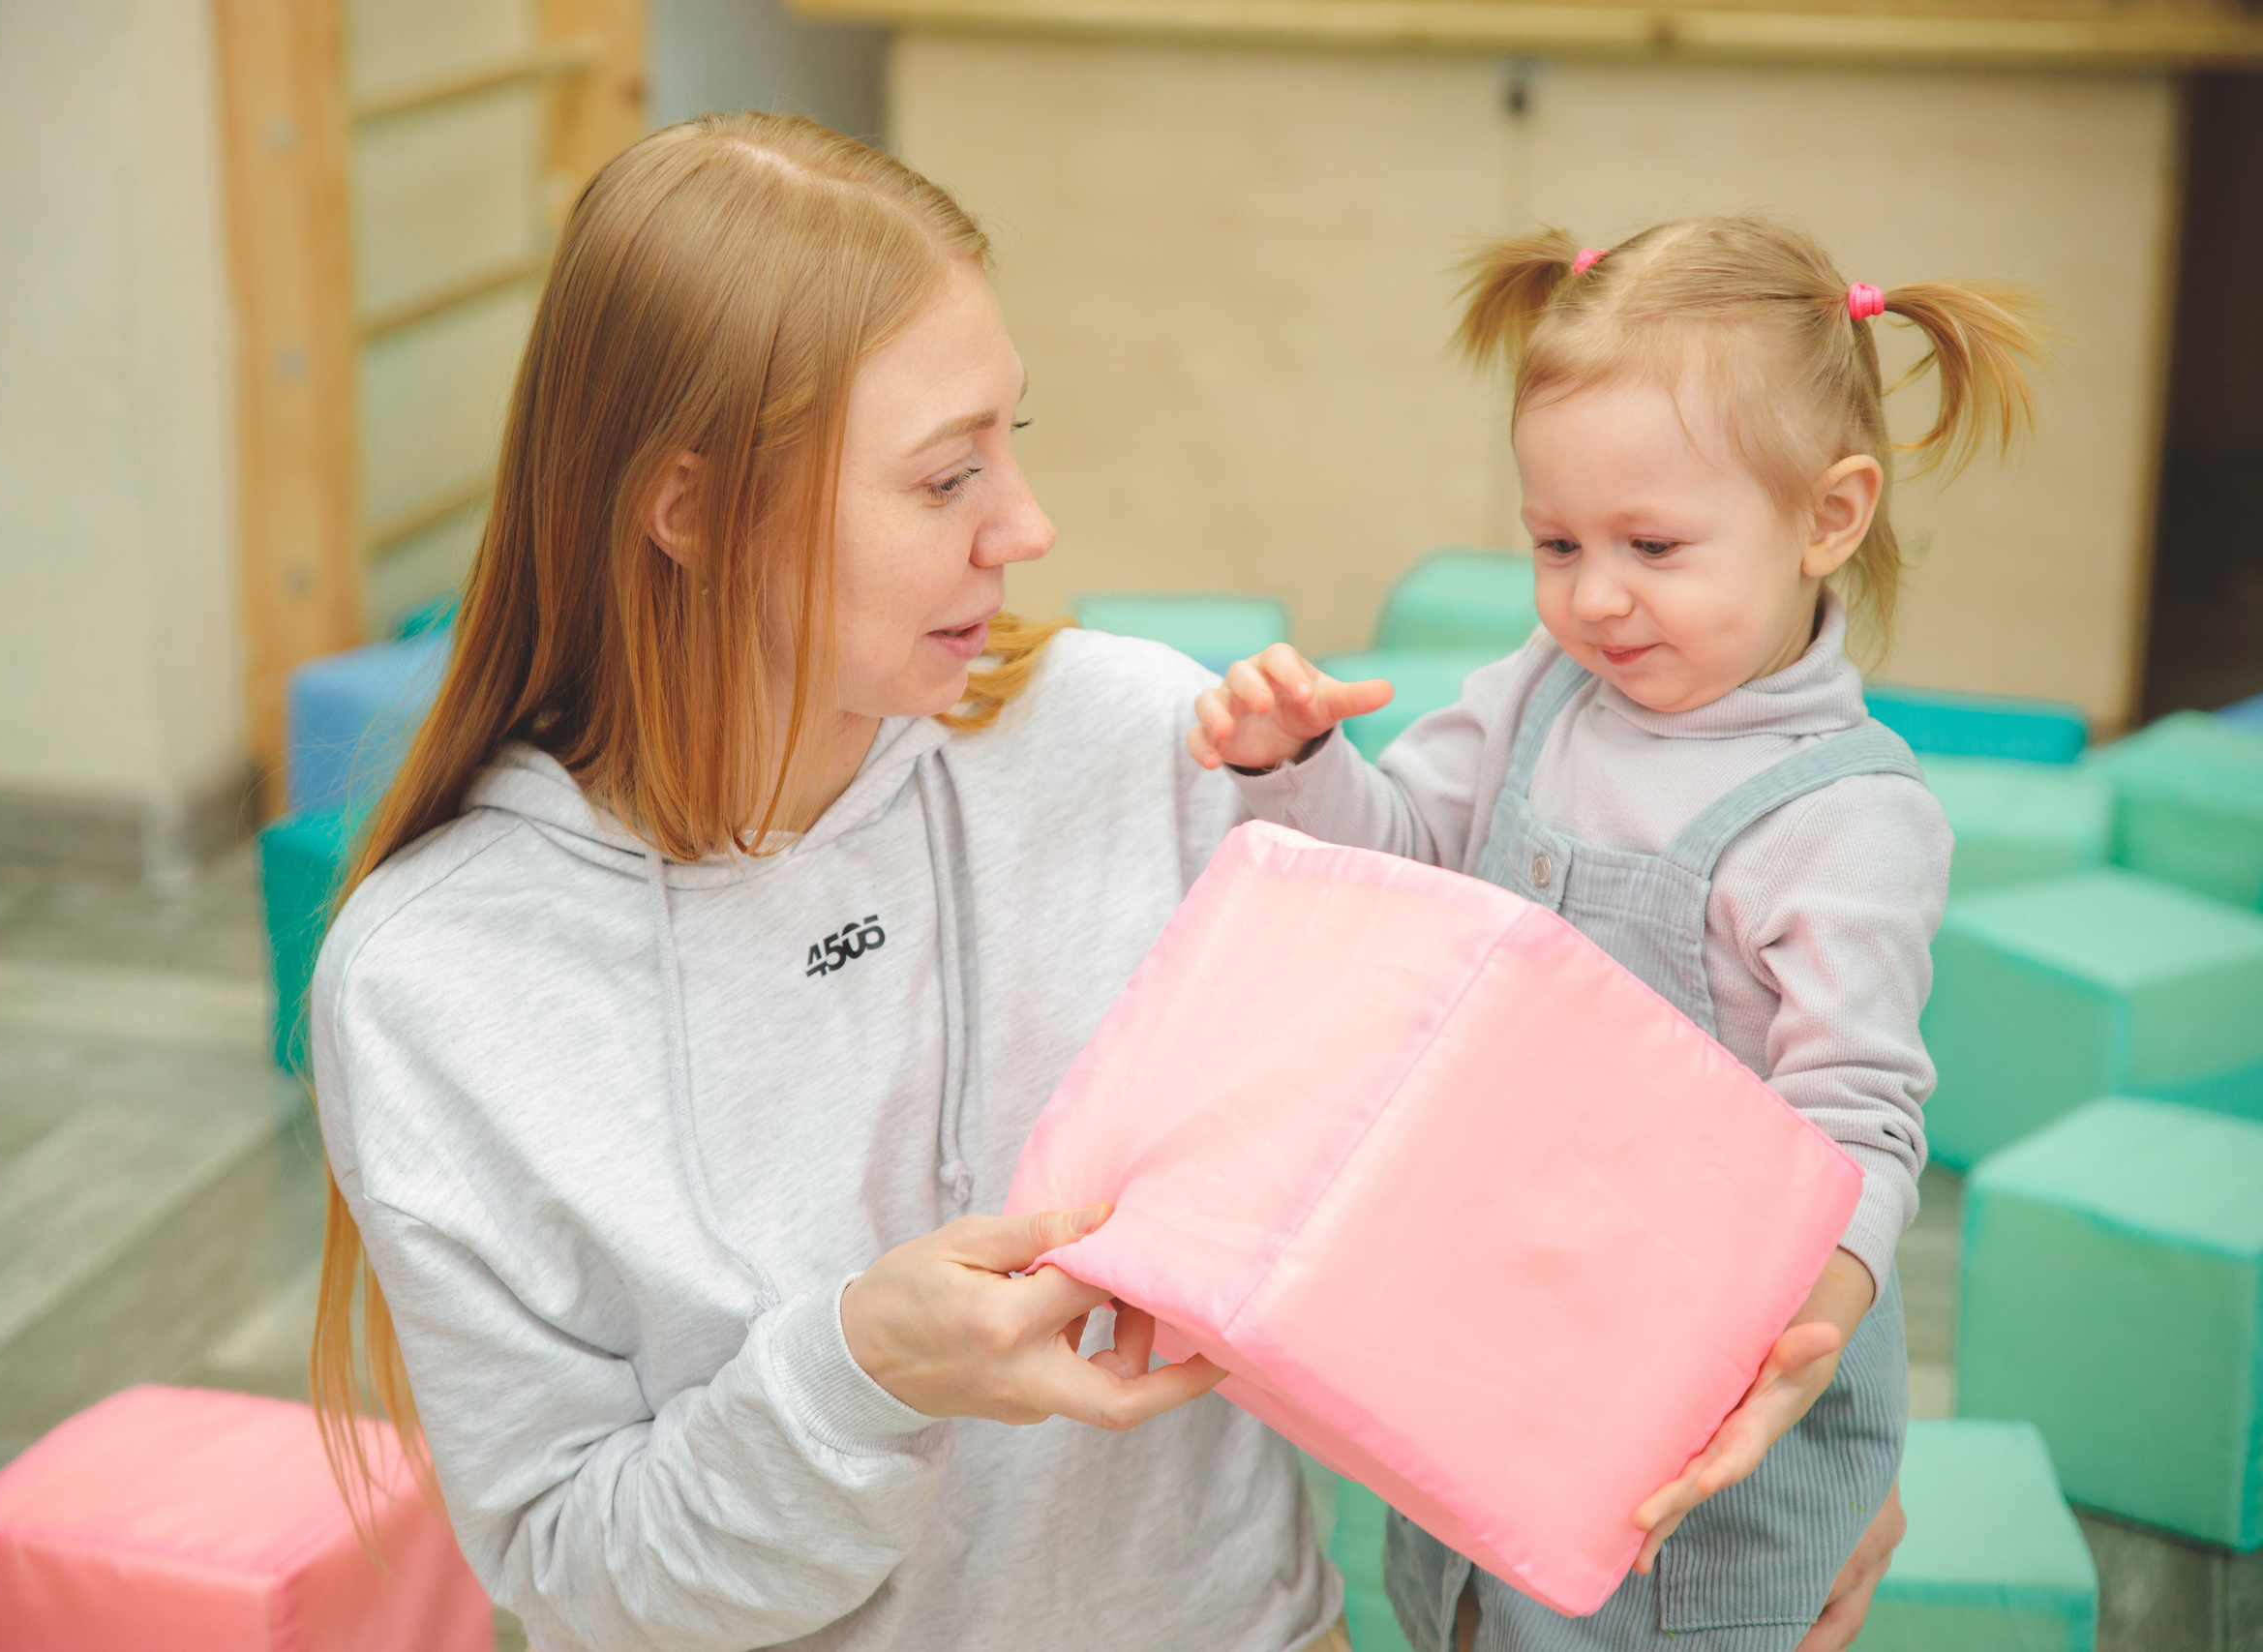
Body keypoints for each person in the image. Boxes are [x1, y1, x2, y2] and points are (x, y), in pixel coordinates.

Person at [307, 118, 1908, 1651]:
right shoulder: (438, 982)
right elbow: (589, 1575)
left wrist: (1778, 1467)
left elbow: (1536, 1131)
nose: (1029, 525)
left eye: (1018, 440)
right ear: (695, 512)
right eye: (945, 480)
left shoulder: (1160, 743)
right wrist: (863, 1372)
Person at [1188, 216, 2040, 1650]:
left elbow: (1860, 1119)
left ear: (1829, 517)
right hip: (1509, 1318)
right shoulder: (1544, 687)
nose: (1592, 595)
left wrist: (1780, 1355)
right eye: (1555, 543)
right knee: (1472, 1599)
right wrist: (1294, 766)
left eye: (1652, 545)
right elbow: (1409, 867)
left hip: (1705, 1411)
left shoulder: (1846, 821)